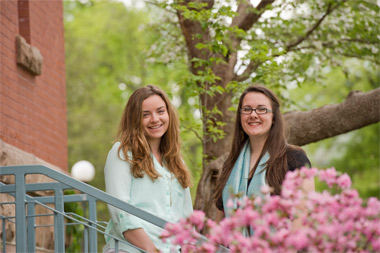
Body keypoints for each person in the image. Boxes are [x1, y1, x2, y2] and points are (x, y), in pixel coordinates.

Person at [103, 85, 193, 253]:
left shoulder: (176, 161)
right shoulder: (122, 153)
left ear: (168, 114)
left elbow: (187, 218)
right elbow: (121, 212)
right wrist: (152, 251)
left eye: (160, 111)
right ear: (134, 119)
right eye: (145, 114)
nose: (155, 119)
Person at [214, 85, 315, 222]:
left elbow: (303, 217)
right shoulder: (231, 164)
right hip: (232, 243)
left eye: (262, 109)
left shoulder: (294, 159)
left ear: (273, 117)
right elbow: (221, 223)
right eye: (247, 109)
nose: (253, 114)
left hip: (279, 243)